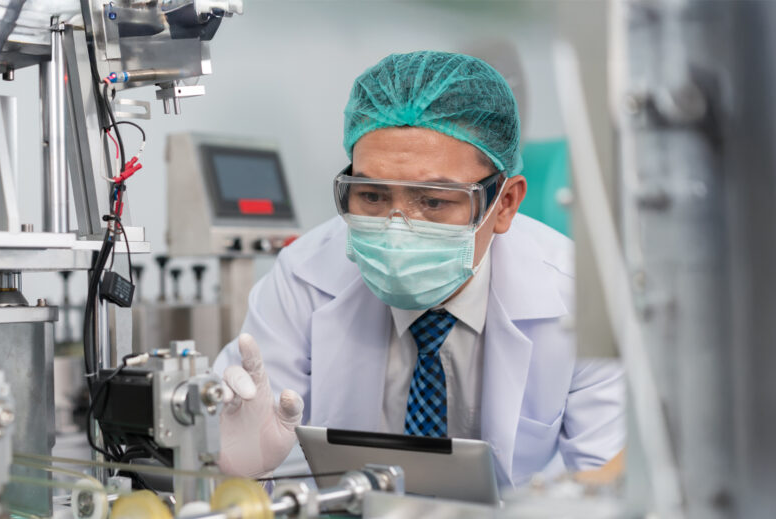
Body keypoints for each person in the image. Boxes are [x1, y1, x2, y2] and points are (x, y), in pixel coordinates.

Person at [213, 50, 625, 487]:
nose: (396, 230)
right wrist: (242, 468)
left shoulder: (580, 299)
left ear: (504, 204)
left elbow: (607, 487)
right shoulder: (305, 274)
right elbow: (246, 436)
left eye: (433, 201)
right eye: (371, 196)